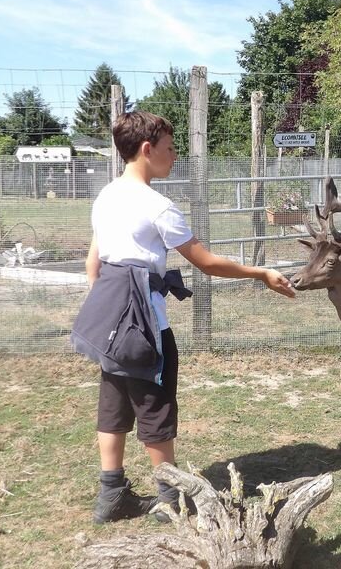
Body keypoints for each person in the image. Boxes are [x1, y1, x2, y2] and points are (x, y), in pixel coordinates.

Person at [77, 110, 294, 524]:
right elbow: (207, 263)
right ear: (147, 149)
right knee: (155, 408)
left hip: (109, 324)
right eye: (171, 148)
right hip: (146, 327)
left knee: (114, 404)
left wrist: (103, 311)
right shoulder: (157, 206)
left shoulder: (106, 196)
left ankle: (111, 495)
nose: (175, 156)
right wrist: (261, 272)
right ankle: (167, 499)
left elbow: (94, 261)